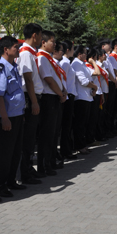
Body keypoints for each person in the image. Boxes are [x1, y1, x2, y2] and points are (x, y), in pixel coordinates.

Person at [0, 36, 25, 197]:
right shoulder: (0, 69)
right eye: (16, 47)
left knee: (15, 151)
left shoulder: (13, 66)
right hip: (6, 117)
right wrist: (4, 118)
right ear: (6, 49)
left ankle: (11, 181)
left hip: (17, 115)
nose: (18, 50)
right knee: (3, 153)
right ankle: (0, 186)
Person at [37, 30, 66, 176]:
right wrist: (60, 93)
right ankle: (44, 165)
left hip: (56, 97)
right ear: (43, 42)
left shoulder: (49, 58)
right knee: (47, 134)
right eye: (52, 41)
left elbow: (56, 77)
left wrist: (63, 91)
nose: (54, 44)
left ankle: (51, 161)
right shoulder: (42, 58)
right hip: (49, 98)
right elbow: (48, 79)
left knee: (54, 133)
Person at [17, 23, 44, 185]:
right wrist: (34, 102)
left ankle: (27, 169)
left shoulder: (31, 52)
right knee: (27, 139)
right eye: (40, 35)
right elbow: (28, 79)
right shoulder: (26, 53)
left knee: (30, 138)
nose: (41, 39)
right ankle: (24, 172)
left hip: (33, 96)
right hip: (29, 97)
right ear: (35, 35)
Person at [71, 45, 97, 155]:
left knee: (85, 123)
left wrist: (93, 87)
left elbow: (92, 76)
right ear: (79, 54)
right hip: (80, 97)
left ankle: (83, 144)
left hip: (87, 97)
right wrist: (94, 87)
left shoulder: (82, 64)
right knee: (80, 124)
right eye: (85, 53)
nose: (86, 55)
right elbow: (83, 81)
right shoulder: (76, 63)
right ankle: (79, 145)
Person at [57, 41, 78, 159]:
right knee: (66, 125)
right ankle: (65, 150)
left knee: (68, 124)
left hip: (70, 94)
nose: (73, 51)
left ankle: (67, 148)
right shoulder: (64, 63)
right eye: (73, 49)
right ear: (67, 50)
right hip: (67, 95)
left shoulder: (67, 62)